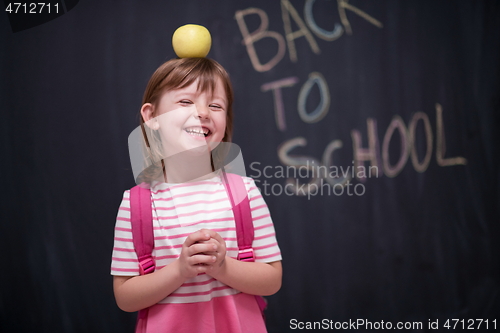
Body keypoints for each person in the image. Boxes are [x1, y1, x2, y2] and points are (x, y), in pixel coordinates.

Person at [110, 57, 282, 333]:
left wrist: (222, 267)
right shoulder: (136, 205)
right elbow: (126, 297)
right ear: (152, 117)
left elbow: (272, 280)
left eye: (215, 105)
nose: (202, 112)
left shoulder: (244, 193)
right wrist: (180, 269)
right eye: (186, 102)